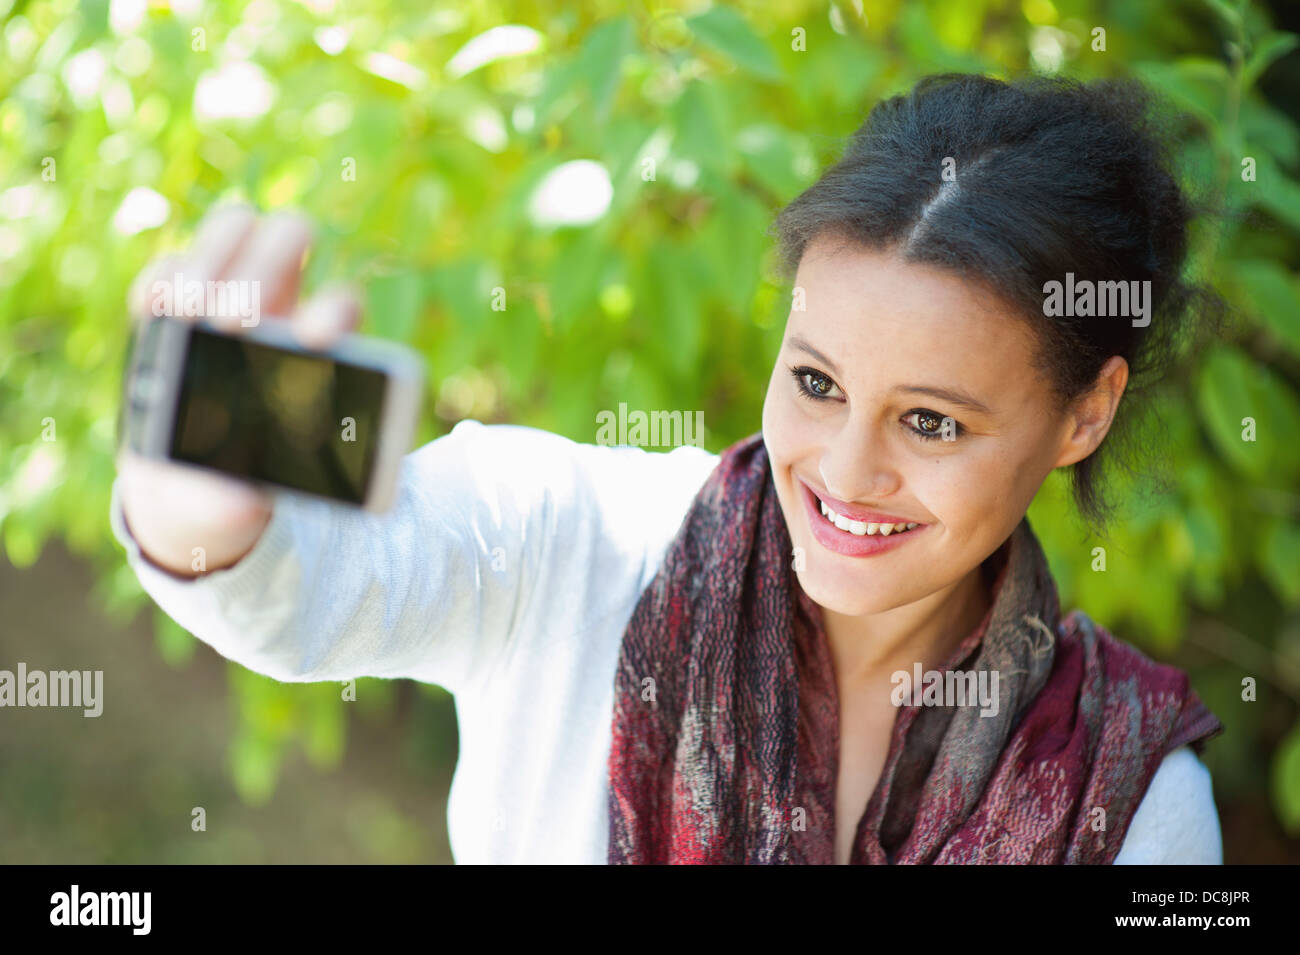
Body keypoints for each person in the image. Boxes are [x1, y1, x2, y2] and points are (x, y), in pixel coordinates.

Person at [113, 73, 1225, 864]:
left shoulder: (1132, 801)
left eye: (930, 423)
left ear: (1085, 413)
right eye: (817, 383)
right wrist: (194, 509)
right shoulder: (575, 540)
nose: (843, 471)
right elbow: (317, 587)